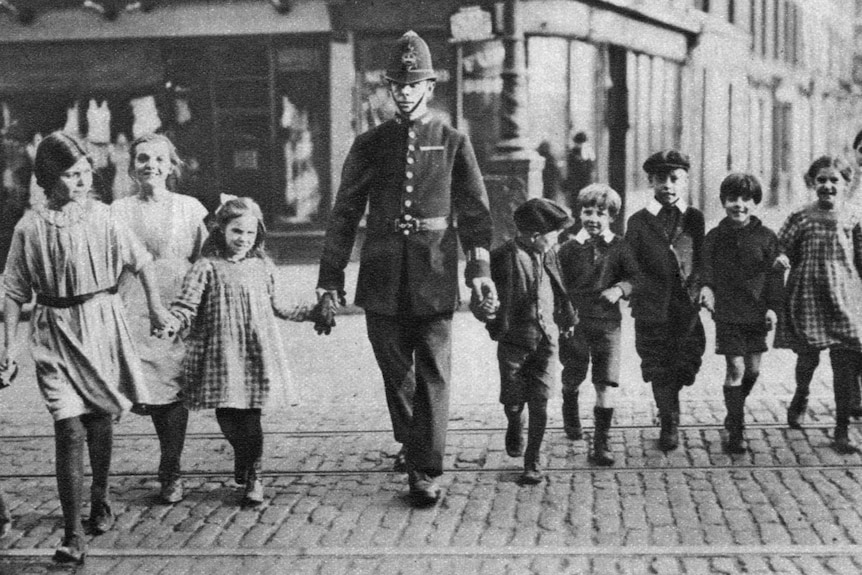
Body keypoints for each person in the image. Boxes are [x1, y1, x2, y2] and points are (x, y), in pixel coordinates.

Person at [316, 30, 495, 507]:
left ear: (430, 88)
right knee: (394, 369)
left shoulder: (454, 141)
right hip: (380, 272)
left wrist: (480, 274)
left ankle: (424, 469)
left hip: (435, 271)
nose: (405, 91)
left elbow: (476, 215)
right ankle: (414, 440)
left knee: (434, 370)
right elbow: (344, 214)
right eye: (398, 84)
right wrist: (329, 280)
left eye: (414, 84)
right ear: (388, 89)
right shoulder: (370, 143)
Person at [1, 131, 170, 564]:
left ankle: (101, 493)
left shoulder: (105, 217)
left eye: (83, 174)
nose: (80, 183)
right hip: (54, 332)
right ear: (46, 178)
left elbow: (141, 261)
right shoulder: (30, 227)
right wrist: (9, 348)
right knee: (68, 428)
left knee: (99, 420)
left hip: (100, 322)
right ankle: (73, 532)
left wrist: (154, 309)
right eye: (69, 176)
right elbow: (15, 292)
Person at [165, 197, 317, 505]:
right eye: (236, 231)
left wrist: (314, 312)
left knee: (250, 417)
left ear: (258, 234)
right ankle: (243, 455)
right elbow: (186, 305)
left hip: (254, 352)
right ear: (221, 230)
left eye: (249, 233)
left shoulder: (261, 266)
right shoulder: (206, 267)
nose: (242, 239)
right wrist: (170, 322)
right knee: (227, 414)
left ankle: (254, 474)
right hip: (221, 353)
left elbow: (281, 305)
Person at [111, 133, 208, 504]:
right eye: (143, 159)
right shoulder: (118, 210)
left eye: (158, 159)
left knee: (173, 390)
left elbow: (205, 263)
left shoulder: (190, 208)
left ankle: (171, 468)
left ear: (171, 166)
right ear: (133, 166)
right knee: (138, 388)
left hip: (178, 307)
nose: (150, 165)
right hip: (132, 307)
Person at [478, 198, 575, 484]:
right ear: (534, 235)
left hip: (546, 339)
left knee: (541, 402)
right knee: (513, 400)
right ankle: (514, 421)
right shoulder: (503, 257)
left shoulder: (550, 254)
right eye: (552, 234)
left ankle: (532, 459)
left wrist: (567, 321)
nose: (557, 240)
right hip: (514, 341)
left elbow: (561, 290)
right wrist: (489, 310)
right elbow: (486, 295)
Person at [774, 156, 862, 453]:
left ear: (846, 184)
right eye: (821, 180)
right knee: (808, 358)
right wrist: (782, 257)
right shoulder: (800, 215)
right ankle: (801, 393)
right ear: (812, 183)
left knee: (845, 364)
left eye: (834, 180)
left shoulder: (854, 216)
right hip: (807, 293)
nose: (827, 185)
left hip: (844, 296)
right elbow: (781, 247)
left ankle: (841, 429)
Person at [625, 150, 706, 452]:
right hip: (652, 305)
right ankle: (669, 418)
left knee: (686, 358)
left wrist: (700, 286)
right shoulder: (638, 221)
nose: (668, 185)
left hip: (685, 304)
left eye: (674, 179)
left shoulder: (694, 218)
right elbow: (630, 262)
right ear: (650, 181)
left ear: (685, 181)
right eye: (661, 179)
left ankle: (670, 401)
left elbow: (701, 258)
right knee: (657, 361)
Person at [699, 173, 784, 454]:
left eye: (746, 199)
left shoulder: (766, 237)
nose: (739, 205)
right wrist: (707, 290)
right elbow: (706, 272)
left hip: (757, 313)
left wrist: (773, 307)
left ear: (755, 202)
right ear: (724, 201)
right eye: (733, 198)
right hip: (727, 313)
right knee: (735, 368)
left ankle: (733, 408)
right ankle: (736, 429)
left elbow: (774, 278)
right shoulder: (714, 237)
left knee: (753, 370)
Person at [557, 184, 639, 465]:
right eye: (587, 211)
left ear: (611, 217)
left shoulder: (620, 246)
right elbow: (558, 286)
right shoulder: (567, 248)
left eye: (600, 213)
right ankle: (570, 403)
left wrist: (619, 290)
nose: (593, 218)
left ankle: (601, 442)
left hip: (607, 323)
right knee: (574, 372)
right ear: (579, 213)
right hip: (575, 322)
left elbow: (636, 278)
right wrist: (564, 318)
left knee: (606, 381)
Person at [565, 131, 595, 209]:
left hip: (584, 183)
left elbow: (591, 168)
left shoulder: (588, 152)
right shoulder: (573, 153)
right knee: (575, 205)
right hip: (576, 184)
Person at [537, 141, 565, 206]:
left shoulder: (540, 158)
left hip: (546, 184)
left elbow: (557, 172)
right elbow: (558, 172)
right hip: (550, 185)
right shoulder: (551, 158)